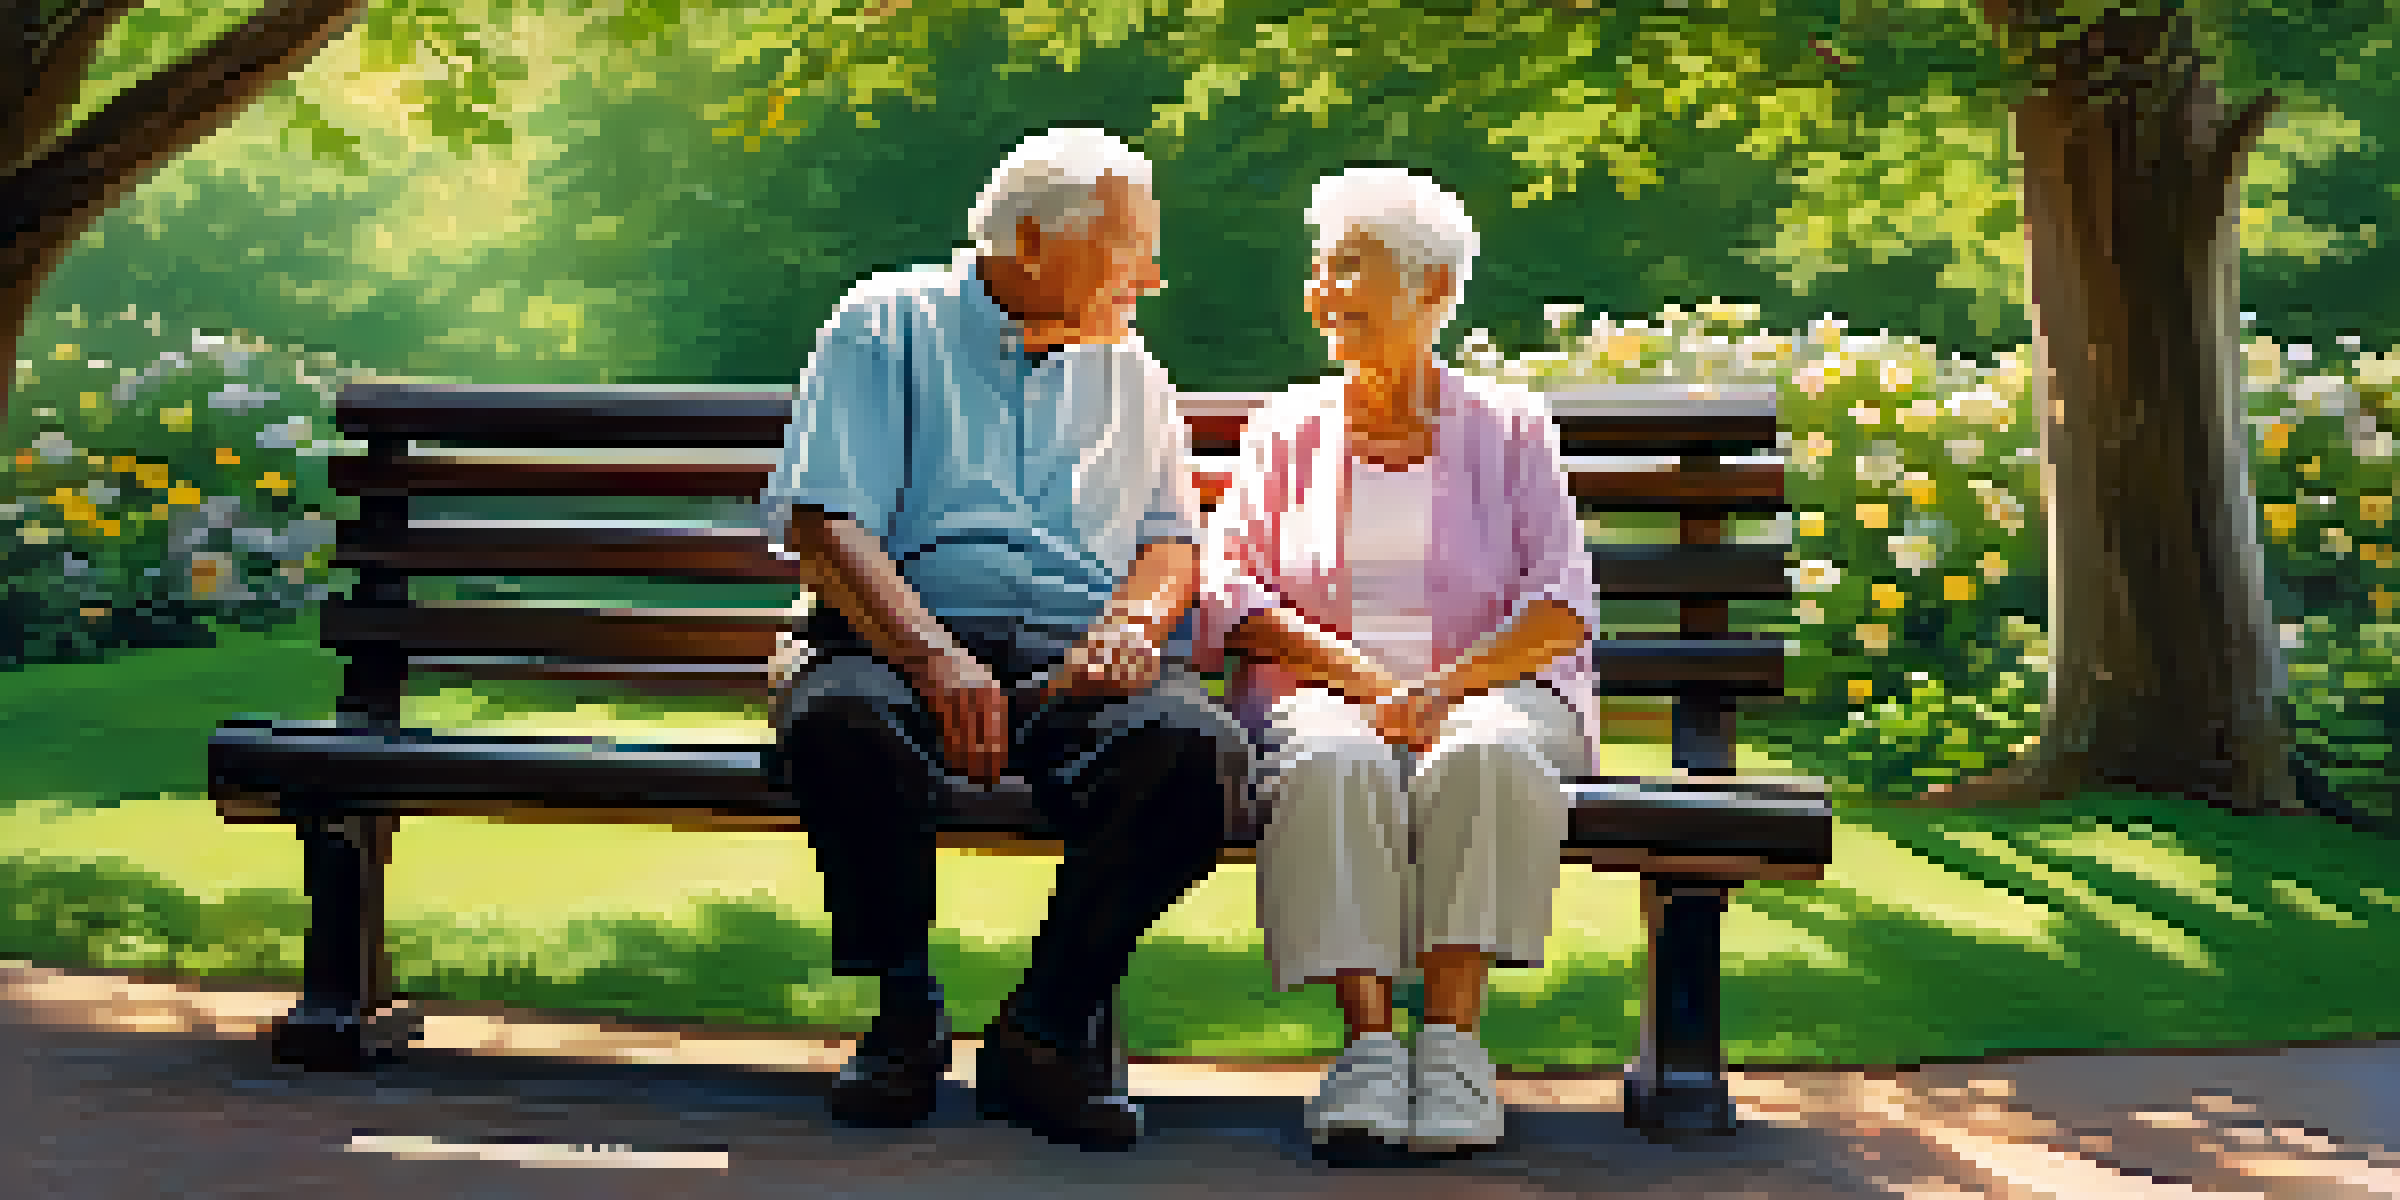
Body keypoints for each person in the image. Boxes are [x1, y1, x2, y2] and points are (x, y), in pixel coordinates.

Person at [759, 127, 1254, 1152]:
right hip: (893, 646)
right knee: (844, 718)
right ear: (1032, 240)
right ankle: (902, 1016)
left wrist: (1132, 626)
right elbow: (824, 525)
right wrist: (932, 656)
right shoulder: (884, 323)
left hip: (1075, 667)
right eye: (1132, 249)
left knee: (1199, 755)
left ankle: (1043, 1028)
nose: (1154, 278)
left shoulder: (1134, 373)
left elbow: (1173, 544)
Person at [1194, 167, 1600, 1157]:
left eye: (1347, 268)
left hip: (1497, 693)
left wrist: (1446, 691)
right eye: (1319, 269)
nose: (1320, 290)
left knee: (1486, 755)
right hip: (1327, 695)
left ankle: (1455, 1049)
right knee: (1334, 760)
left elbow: (1560, 605)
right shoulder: (1285, 429)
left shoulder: (1512, 429)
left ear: (1430, 288)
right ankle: (1369, 1050)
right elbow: (1231, 594)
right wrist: (1372, 683)